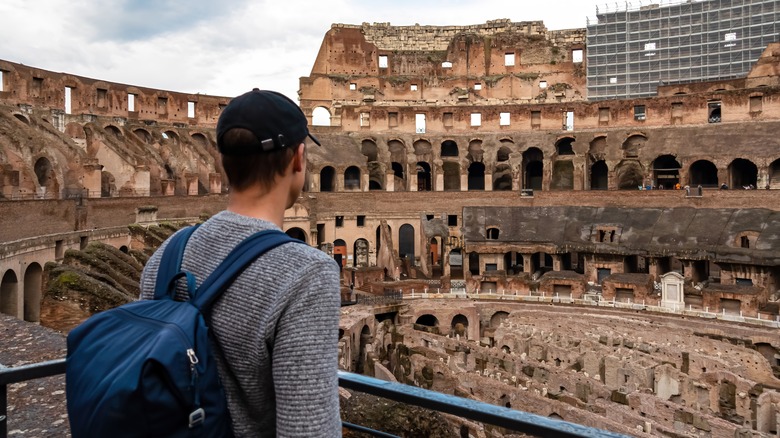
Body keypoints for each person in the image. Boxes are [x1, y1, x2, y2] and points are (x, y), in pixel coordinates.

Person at [139, 89, 342, 437]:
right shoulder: (308, 274)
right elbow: (309, 429)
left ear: (221, 163)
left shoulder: (168, 252)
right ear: (298, 159)